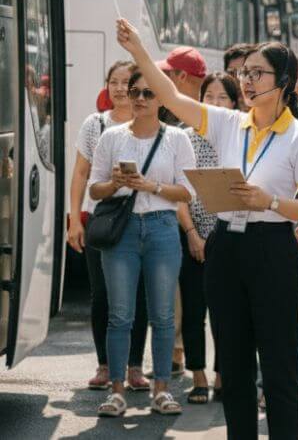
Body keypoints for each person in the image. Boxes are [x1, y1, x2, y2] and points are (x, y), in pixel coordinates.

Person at [116, 18, 298, 440]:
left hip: (272, 249)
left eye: (257, 73)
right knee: (233, 363)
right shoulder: (230, 122)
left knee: (279, 367)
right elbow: (172, 95)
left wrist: (268, 201)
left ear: (282, 80)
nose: (247, 81)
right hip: (226, 246)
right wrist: (138, 50)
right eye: (244, 73)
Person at [89, 70, 195, 417]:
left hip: (163, 227)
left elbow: (188, 191)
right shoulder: (112, 137)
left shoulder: (177, 138)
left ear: (161, 99)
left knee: (163, 315)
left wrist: (151, 186)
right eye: (135, 92)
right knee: (120, 314)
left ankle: (161, 388)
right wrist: (116, 182)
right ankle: (117, 390)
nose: (140, 98)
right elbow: (94, 189)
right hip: (123, 230)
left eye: (149, 93)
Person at [68, 61, 150, 392]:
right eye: (112, 82)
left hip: (142, 217)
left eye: (125, 82)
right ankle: (104, 365)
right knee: (102, 295)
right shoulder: (95, 124)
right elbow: (80, 174)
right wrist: (75, 219)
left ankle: (134, 367)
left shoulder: (149, 124)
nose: (118, 88)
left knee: (138, 297)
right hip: (101, 219)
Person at [176, 72, 240, 404]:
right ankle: (198, 374)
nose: (215, 104)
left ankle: (222, 374)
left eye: (222, 98)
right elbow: (179, 194)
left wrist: (218, 236)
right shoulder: (183, 137)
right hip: (192, 236)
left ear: (234, 103)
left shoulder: (240, 137)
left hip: (228, 237)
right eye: (209, 97)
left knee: (226, 312)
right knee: (193, 310)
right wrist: (192, 234)